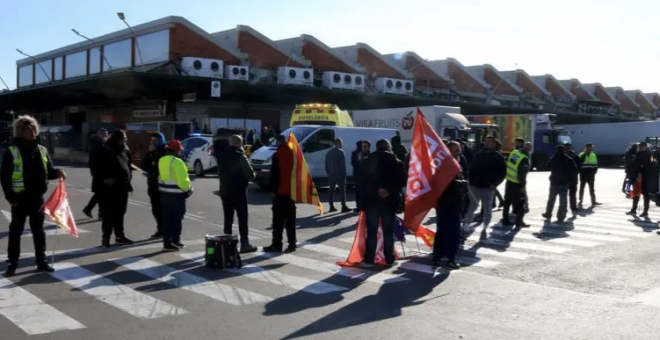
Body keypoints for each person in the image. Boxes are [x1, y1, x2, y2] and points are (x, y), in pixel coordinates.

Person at [1, 115, 65, 277]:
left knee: (39, 232)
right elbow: (5, 177)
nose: (33, 132)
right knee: (16, 232)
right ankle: (13, 263)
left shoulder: (42, 150)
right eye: (29, 130)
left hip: (37, 198)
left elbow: (48, 172)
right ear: (20, 132)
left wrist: (57, 173)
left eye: (34, 129)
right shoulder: (12, 151)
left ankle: (41, 262)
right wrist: (11, 199)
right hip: (19, 200)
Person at [359, 139, 406, 267]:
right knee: (388, 232)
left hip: (372, 201)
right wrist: (388, 190)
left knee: (372, 231)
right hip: (389, 201)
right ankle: (389, 259)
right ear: (388, 147)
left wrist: (377, 190)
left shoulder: (368, 160)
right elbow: (402, 181)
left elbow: (362, 181)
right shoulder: (396, 162)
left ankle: (369, 260)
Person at [218, 135, 258, 253]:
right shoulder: (240, 157)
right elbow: (250, 175)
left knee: (228, 218)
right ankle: (245, 244)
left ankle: (226, 243)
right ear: (240, 144)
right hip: (238, 191)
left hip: (225, 191)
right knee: (242, 218)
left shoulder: (222, 156)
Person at [97, 130, 135, 248]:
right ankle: (106, 237)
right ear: (117, 138)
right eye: (124, 137)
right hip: (110, 187)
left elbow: (128, 165)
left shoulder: (125, 149)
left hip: (123, 186)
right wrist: (106, 178)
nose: (126, 139)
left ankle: (120, 236)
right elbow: (97, 167)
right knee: (109, 213)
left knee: (120, 213)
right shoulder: (106, 149)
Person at [432, 141, 467, 270]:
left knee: (444, 231)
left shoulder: (457, 161)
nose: (459, 151)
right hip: (447, 202)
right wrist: (461, 183)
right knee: (450, 232)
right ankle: (449, 259)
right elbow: (442, 183)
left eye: (459, 149)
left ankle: (438, 257)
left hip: (451, 202)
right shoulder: (446, 164)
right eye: (456, 149)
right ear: (450, 150)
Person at [464, 137, 507, 231]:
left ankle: (485, 227)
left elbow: (503, 172)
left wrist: (495, 184)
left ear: (494, 144)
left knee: (488, 208)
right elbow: (472, 169)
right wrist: (470, 183)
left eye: (489, 142)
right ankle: (466, 225)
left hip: (489, 188)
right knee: (472, 207)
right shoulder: (480, 154)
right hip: (476, 186)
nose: (487, 144)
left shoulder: (498, 156)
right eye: (486, 142)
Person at [264, 135, 297, 253]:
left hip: (280, 192)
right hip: (291, 192)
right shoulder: (293, 154)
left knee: (278, 221)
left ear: (278, 142)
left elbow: (274, 175)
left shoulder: (277, 155)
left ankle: (277, 245)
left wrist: (271, 190)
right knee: (290, 221)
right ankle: (292, 244)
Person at [157, 140, 193, 251]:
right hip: (176, 196)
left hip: (164, 194)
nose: (180, 152)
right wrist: (189, 189)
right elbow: (182, 180)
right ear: (176, 150)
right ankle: (175, 241)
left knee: (167, 219)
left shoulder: (162, 160)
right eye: (179, 150)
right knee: (177, 220)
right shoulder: (177, 162)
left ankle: (167, 242)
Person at [142, 132, 167, 238]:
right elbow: (145, 166)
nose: (153, 143)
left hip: (163, 186)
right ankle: (160, 228)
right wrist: (149, 153)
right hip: (152, 185)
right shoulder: (152, 152)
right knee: (155, 208)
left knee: (164, 209)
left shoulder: (164, 151)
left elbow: (159, 166)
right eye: (152, 141)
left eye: (155, 140)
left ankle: (165, 229)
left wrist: (154, 154)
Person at [543, 145, 578, 223]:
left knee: (551, 199)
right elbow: (575, 170)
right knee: (563, 200)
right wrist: (571, 180)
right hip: (564, 183)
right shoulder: (569, 159)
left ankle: (548, 213)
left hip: (554, 183)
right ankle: (561, 216)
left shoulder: (555, 158)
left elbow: (547, 166)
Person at [501, 141, 531, 228]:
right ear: (528, 149)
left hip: (509, 181)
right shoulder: (524, 158)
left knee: (507, 202)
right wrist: (522, 186)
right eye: (530, 148)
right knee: (520, 203)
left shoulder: (515, 152)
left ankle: (505, 219)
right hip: (517, 184)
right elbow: (522, 174)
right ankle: (519, 221)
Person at [83, 128, 108, 218]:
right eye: (105, 135)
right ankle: (91, 210)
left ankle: (96, 212)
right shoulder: (99, 144)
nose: (106, 137)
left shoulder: (97, 145)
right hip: (100, 173)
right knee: (101, 194)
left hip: (97, 173)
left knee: (101, 194)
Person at [627, 142, 653, 217]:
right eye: (640, 147)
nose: (641, 148)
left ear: (645, 147)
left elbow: (651, 166)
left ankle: (645, 211)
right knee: (636, 193)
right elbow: (633, 165)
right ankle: (633, 210)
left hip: (645, 177)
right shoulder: (637, 154)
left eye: (642, 147)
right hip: (636, 177)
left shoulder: (649, 155)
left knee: (646, 194)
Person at [325, 138, 350, 212]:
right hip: (340, 174)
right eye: (341, 143)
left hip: (331, 174)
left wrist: (329, 173)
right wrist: (344, 175)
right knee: (342, 191)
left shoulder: (328, 152)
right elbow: (342, 165)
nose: (342, 145)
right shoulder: (340, 152)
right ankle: (343, 206)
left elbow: (326, 165)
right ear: (338, 143)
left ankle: (331, 206)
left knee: (331, 190)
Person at [351, 140, 371, 212]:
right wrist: (359, 161)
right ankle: (359, 206)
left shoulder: (370, 154)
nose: (362, 148)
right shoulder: (355, 153)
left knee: (363, 192)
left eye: (365, 146)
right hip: (358, 175)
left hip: (364, 177)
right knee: (359, 192)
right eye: (362, 146)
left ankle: (363, 206)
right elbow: (353, 163)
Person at [578, 143, 600, 207]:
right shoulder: (581, 154)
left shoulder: (593, 155)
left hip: (591, 174)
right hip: (583, 174)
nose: (590, 148)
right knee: (582, 188)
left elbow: (596, 164)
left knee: (592, 189)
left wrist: (595, 171)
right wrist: (584, 154)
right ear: (586, 147)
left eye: (591, 147)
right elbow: (579, 162)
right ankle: (580, 200)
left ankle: (593, 201)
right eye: (589, 147)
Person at [564, 142, 581, 216]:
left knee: (572, 194)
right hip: (565, 178)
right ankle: (565, 209)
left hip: (572, 178)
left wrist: (576, 173)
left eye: (569, 147)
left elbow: (579, 166)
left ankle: (573, 208)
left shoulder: (574, 156)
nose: (568, 149)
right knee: (564, 195)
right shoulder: (562, 156)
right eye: (566, 147)